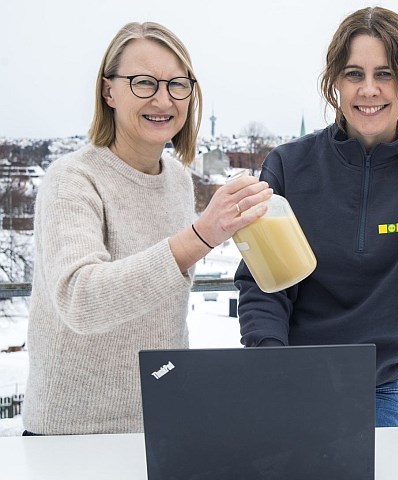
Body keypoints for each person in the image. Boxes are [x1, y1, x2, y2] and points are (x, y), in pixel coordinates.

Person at [235, 6, 398, 440]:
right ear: (335, 82)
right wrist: (270, 367)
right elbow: (263, 287)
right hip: (288, 380)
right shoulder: (288, 167)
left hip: (377, 389)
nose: (369, 90)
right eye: (354, 74)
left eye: (385, 74)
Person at [23, 22, 271, 435]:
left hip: (160, 421)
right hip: (70, 434)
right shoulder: (71, 180)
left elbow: (164, 313)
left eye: (177, 84)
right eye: (143, 83)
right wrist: (199, 237)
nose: (163, 99)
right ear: (109, 91)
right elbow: (80, 300)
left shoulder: (177, 179)